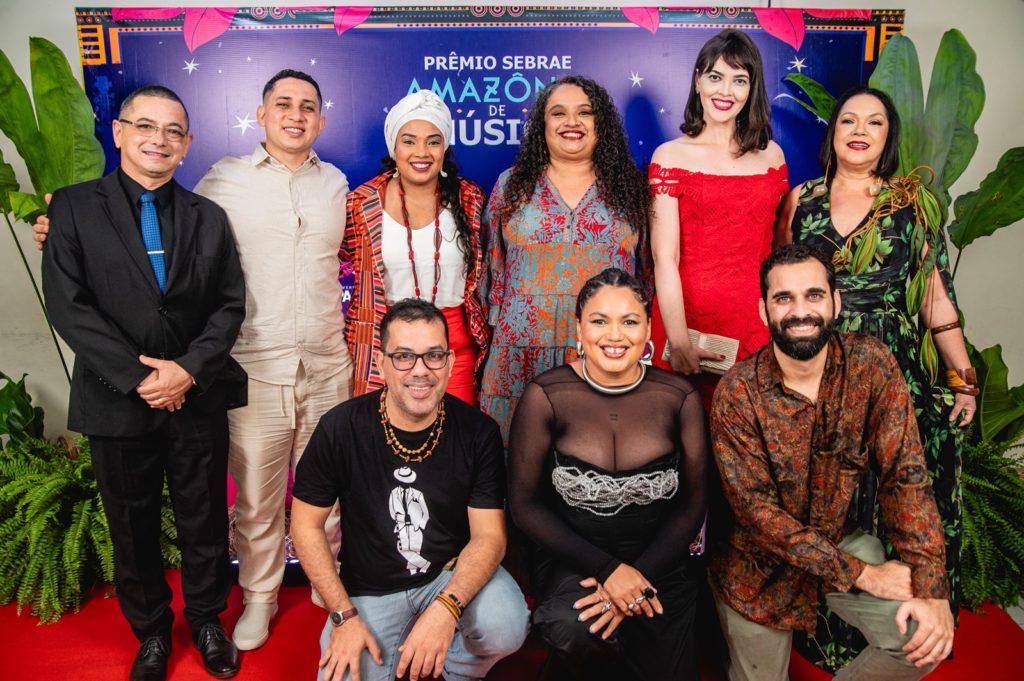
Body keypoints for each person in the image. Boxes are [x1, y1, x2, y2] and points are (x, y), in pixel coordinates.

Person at [35, 70, 352, 651]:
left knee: (315, 493)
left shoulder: (335, 184)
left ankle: (314, 588)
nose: (295, 115)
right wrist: (58, 226)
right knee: (252, 501)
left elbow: (231, 290)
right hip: (248, 368)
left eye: (308, 106)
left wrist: (187, 369)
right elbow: (89, 285)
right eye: (283, 103)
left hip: (317, 365)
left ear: (321, 120)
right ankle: (250, 599)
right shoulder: (220, 181)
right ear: (261, 114)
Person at [41, 86, 245, 681]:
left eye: (173, 131)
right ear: (119, 132)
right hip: (116, 399)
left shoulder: (208, 216)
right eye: (146, 126)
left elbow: (229, 305)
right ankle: (152, 633)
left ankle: (206, 621)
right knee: (131, 527)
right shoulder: (73, 209)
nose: (160, 139)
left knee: (205, 520)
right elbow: (69, 306)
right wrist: (140, 378)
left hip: (195, 396)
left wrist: (186, 370)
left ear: (187, 143)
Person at [778, 86, 972, 670]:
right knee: (831, 491)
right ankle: (830, 628)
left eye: (875, 122)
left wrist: (962, 376)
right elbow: (782, 286)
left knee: (897, 488)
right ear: (833, 132)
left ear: (888, 138)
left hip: (893, 368)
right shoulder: (803, 199)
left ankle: (910, 619)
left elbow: (934, 296)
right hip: (820, 364)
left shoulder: (912, 204)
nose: (860, 131)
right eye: (849, 120)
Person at [709, 244, 953, 681]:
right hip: (757, 569)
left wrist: (933, 589)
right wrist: (863, 575)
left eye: (814, 295)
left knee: (922, 640)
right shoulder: (737, 393)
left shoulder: (871, 365)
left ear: (836, 302)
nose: (800, 311)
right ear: (764, 310)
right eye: (783, 298)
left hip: (837, 538)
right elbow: (758, 516)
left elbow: (905, 475)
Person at [291, 298, 529, 681]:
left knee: (505, 624)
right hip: (371, 589)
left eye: (433, 355)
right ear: (381, 363)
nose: (420, 370)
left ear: (450, 362)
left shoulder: (478, 432)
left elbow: (490, 537)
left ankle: (455, 667)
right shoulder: (340, 428)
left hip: (448, 576)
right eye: (403, 356)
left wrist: (446, 608)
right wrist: (343, 615)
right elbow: (305, 525)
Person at [509, 268, 708, 680]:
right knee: (577, 629)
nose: (614, 336)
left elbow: (693, 503)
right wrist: (609, 571)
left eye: (629, 322)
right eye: (599, 321)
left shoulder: (680, 398)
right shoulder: (545, 396)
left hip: (659, 562)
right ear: (578, 329)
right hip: (573, 559)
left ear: (648, 329)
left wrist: (637, 579)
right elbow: (525, 506)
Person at [479, 75, 650, 442]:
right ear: (542, 126)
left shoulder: (630, 190)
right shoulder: (511, 186)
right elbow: (491, 273)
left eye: (585, 113)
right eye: (558, 113)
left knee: (596, 458)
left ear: (601, 124)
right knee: (518, 460)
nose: (572, 122)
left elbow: (649, 277)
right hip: (519, 356)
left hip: (605, 354)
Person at [648, 29, 788, 408]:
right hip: (686, 323)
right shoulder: (669, 156)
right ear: (698, 81)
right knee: (685, 433)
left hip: (756, 324)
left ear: (752, 88)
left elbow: (779, 250)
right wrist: (679, 341)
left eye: (739, 80)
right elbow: (665, 257)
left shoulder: (772, 156)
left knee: (751, 432)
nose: (725, 91)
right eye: (715, 77)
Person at [342, 89, 489, 405]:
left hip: (453, 349)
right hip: (385, 348)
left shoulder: (470, 199)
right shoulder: (360, 204)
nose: (421, 152)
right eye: (409, 141)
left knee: (457, 432)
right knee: (384, 434)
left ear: (444, 148)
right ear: (393, 148)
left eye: (433, 142)